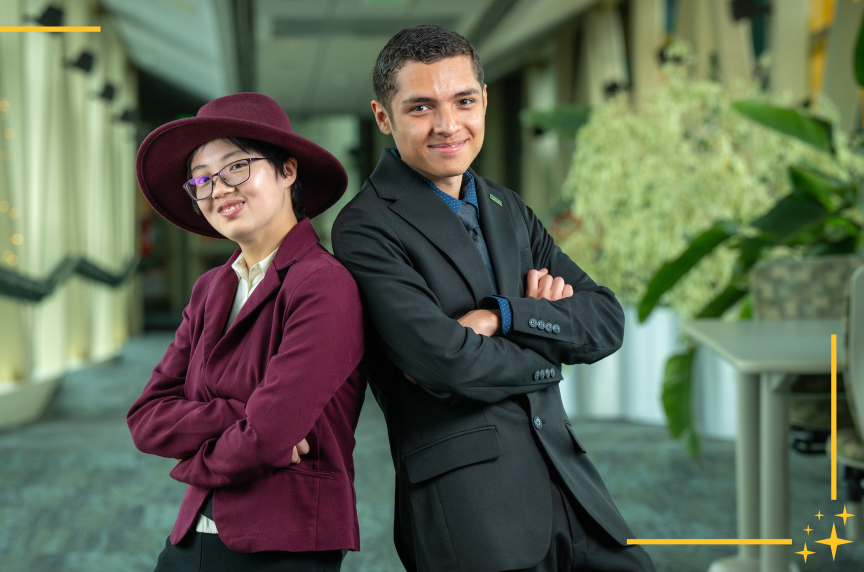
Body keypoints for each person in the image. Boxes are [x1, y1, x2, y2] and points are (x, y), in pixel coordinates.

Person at [332, 25, 657, 572]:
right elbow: (447, 363)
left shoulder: (508, 207)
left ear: (484, 101)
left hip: (570, 481)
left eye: (463, 101)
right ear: (383, 118)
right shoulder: (365, 227)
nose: (448, 125)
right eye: (420, 108)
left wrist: (503, 314)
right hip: (472, 507)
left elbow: (606, 320)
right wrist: (549, 340)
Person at [129, 92, 367, 572]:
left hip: (285, 546)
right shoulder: (210, 289)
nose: (217, 189)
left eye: (236, 167)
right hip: (189, 540)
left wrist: (192, 463)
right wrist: (239, 414)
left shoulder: (324, 285)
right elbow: (146, 418)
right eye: (201, 179)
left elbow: (267, 433)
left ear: (287, 171)